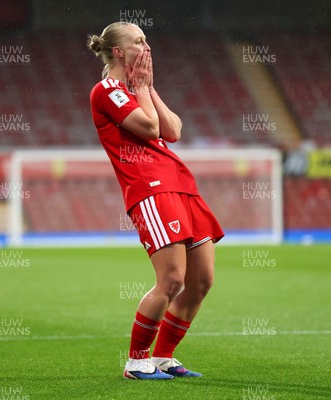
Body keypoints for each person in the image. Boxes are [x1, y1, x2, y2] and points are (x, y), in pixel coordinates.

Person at [88, 22, 224, 380]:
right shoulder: (108, 90)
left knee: (202, 281)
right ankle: (136, 361)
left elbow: (173, 131)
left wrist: (147, 88)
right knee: (172, 279)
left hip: (182, 186)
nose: (147, 45)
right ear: (118, 52)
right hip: (151, 189)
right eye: (139, 41)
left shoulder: (139, 87)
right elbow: (149, 128)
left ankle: (164, 357)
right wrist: (143, 89)